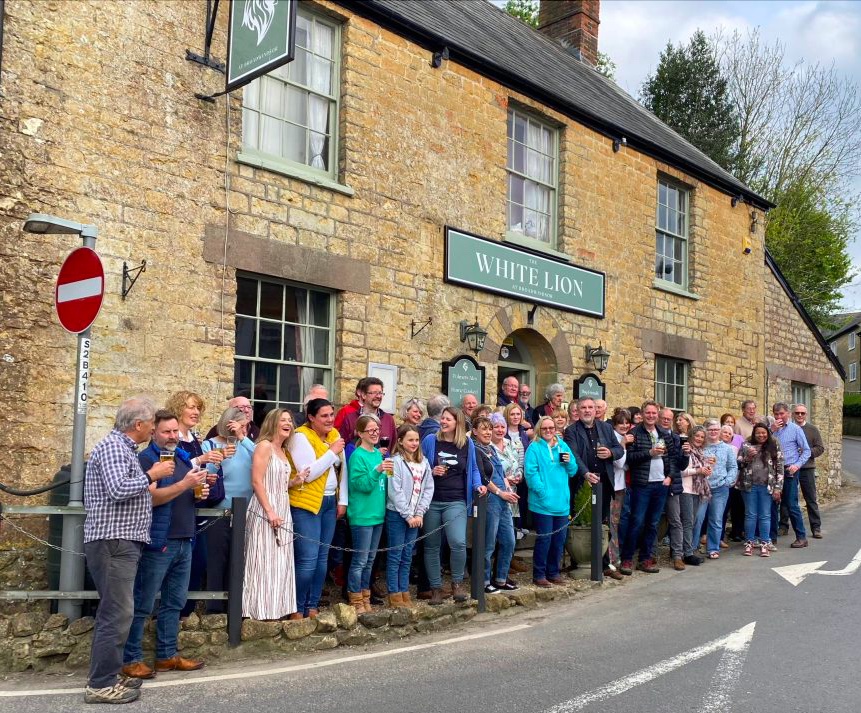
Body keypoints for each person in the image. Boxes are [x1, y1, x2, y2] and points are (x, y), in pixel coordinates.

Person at [83, 397, 168, 704]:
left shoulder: (121, 448)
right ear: (138, 425)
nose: (153, 428)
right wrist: (151, 476)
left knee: (116, 612)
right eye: (151, 423)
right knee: (117, 614)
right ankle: (100, 684)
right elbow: (118, 489)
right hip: (113, 540)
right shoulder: (114, 448)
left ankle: (107, 676)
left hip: (120, 540)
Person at [122, 410, 208, 680]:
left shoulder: (181, 457)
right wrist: (185, 484)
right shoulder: (146, 459)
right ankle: (131, 659)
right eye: (166, 432)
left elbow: (185, 494)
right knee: (143, 602)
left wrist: (198, 491)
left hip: (184, 538)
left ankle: (167, 656)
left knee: (174, 602)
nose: (172, 436)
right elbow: (150, 499)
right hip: (158, 541)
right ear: (153, 433)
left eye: (175, 431)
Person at [243, 409, 306, 620]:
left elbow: (277, 482)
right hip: (265, 508)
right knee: (262, 561)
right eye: (284, 420)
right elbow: (257, 481)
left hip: (282, 505)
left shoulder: (282, 450)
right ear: (273, 423)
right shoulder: (264, 446)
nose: (288, 423)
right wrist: (269, 511)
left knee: (280, 561)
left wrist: (294, 482)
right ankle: (257, 611)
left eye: (290, 421)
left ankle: (276, 609)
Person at [288, 398, 348, 618]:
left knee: (322, 559)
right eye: (324, 415)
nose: (330, 419)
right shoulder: (300, 437)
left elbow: (344, 470)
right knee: (307, 559)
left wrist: (343, 500)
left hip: (330, 501)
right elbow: (308, 473)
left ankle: (311, 605)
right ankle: (296, 607)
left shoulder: (334, 435)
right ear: (311, 417)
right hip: (307, 503)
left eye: (332, 414)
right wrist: (331, 452)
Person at [165, 390, 223, 617]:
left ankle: (184, 618)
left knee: (197, 564)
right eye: (190, 407)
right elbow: (170, 468)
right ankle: (169, 619)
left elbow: (192, 472)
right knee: (173, 569)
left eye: (198, 408)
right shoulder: (171, 438)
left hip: (195, 509)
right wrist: (202, 459)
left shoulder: (194, 439)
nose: (196, 412)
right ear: (178, 408)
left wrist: (206, 477)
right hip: (175, 511)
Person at [421, 407, 485, 604]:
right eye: (442, 418)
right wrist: (432, 471)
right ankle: (436, 588)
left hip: (456, 500)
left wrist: (478, 485)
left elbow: (473, 468)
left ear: (457, 423)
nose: (443, 422)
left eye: (448, 419)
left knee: (458, 542)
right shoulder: (431, 440)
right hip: (431, 500)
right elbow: (419, 465)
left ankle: (457, 583)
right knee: (431, 546)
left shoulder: (467, 444)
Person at [563, 397, 623, 578]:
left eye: (591, 407)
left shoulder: (605, 427)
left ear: (595, 410)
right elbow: (574, 455)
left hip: (604, 482)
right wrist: (585, 473)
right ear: (578, 411)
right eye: (584, 408)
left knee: (603, 523)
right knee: (580, 522)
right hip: (582, 483)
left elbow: (619, 449)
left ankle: (604, 564)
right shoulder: (571, 431)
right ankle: (578, 562)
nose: (588, 410)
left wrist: (611, 452)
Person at [202, 407, 254, 613]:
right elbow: (207, 474)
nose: (241, 429)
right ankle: (214, 609)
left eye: (245, 426)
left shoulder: (248, 445)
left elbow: (264, 458)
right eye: (238, 425)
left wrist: (243, 438)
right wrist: (219, 458)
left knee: (239, 562)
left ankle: (236, 608)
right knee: (217, 560)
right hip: (220, 512)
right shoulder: (210, 444)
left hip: (247, 512)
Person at [620, 400, 677, 575]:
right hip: (642, 484)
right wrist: (650, 453)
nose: (651, 416)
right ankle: (627, 559)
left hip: (661, 484)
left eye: (654, 413)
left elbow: (673, 458)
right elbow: (628, 458)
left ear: (657, 414)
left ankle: (646, 559)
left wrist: (670, 477)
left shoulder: (664, 434)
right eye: (648, 413)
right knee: (637, 522)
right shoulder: (634, 433)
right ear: (642, 414)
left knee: (653, 524)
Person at [524, 416, 582, 587]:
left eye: (551, 428)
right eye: (545, 428)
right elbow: (531, 473)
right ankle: (539, 574)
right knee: (545, 540)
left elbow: (573, 471)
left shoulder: (562, 446)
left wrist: (569, 461)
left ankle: (553, 572)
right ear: (539, 430)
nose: (548, 431)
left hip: (561, 503)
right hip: (542, 504)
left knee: (559, 540)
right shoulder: (534, 448)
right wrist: (542, 492)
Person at [386, 424, 434, 607]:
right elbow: (394, 490)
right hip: (397, 515)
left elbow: (428, 488)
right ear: (400, 441)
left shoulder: (424, 462)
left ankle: (404, 590)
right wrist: (407, 515)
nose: (414, 443)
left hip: (416, 515)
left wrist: (420, 512)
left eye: (416, 440)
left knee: (407, 555)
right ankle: (394, 593)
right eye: (410, 440)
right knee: (395, 554)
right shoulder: (394, 461)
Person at [472, 416, 520, 593]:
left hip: (503, 499)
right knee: (488, 544)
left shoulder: (491, 448)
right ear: (475, 431)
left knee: (509, 541)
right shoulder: (475, 449)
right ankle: (483, 581)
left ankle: (501, 577)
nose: (487, 432)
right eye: (483, 429)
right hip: (490, 499)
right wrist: (500, 492)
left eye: (489, 429)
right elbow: (484, 477)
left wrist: (508, 487)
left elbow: (500, 472)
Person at [346, 415, 389, 613]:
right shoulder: (357, 455)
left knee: (370, 560)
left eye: (377, 429)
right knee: (360, 560)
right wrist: (377, 470)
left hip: (377, 513)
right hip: (362, 514)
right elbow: (360, 485)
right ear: (360, 433)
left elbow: (385, 483)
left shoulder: (378, 454)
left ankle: (366, 596)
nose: (375, 433)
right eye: (370, 430)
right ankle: (355, 598)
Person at [694, 419, 738, 559]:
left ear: (720, 431)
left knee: (716, 519)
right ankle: (692, 547)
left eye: (716, 429)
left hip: (720, 488)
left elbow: (733, 467)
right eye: (710, 429)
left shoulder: (727, 448)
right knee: (698, 518)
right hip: (702, 487)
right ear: (706, 430)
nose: (713, 432)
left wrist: (727, 482)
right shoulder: (701, 446)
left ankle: (713, 548)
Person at [737, 423, 784, 557]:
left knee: (765, 515)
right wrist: (748, 458)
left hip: (767, 486)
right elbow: (739, 463)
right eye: (758, 433)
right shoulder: (746, 444)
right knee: (750, 515)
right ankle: (749, 542)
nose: (761, 435)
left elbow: (780, 467)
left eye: (763, 433)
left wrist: (778, 488)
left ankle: (764, 543)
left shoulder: (774, 445)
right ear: (754, 433)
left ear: (767, 433)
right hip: (749, 485)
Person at [770, 402, 811, 548]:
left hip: (789, 470)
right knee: (772, 503)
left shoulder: (795, 429)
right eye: (776, 414)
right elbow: (762, 444)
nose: (779, 416)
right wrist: (771, 430)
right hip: (772, 471)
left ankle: (801, 537)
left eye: (781, 414)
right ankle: (771, 538)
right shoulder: (771, 429)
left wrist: (797, 465)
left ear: (788, 413)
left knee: (791, 504)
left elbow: (806, 450)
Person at [783, 404, 824, 539]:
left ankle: (816, 527)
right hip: (790, 469)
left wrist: (808, 452)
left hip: (806, 468)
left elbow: (820, 448)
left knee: (810, 498)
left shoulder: (812, 429)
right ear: (793, 414)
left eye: (802, 413)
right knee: (786, 498)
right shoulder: (787, 429)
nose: (800, 415)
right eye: (797, 413)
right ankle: (783, 525)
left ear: (806, 414)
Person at [658, 407, 689, 572]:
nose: (666, 420)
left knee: (676, 521)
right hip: (654, 483)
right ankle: (648, 555)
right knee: (652, 520)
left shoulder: (677, 438)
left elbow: (681, 464)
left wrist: (686, 455)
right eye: (663, 417)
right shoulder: (653, 436)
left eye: (669, 418)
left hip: (673, 484)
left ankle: (678, 555)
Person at [338, 377, 397, 450]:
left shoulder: (388, 419)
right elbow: (341, 446)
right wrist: (354, 434)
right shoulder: (350, 418)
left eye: (380, 393)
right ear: (363, 395)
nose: (378, 396)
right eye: (374, 393)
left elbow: (394, 446)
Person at [679, 425, 709, 566]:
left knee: (692, 521)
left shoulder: (700, 452)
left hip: (697, 490)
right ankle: (687, 553)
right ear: (691, 436)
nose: (699, 439)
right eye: (697, 436)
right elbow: (682, 471)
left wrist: (707, 470)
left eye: (702, 437)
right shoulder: (685, 449)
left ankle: (688, 550)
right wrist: (699, 470)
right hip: (686, 489)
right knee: (687, 522)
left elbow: (701, 471)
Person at [609, 409, 633, 573]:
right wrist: (623, 445)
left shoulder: (628, 438)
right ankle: (612, 557)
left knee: (618, 522)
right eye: (621, 423)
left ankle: (616, 555)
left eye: (626, 423)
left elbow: (628, 464)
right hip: (613, 485)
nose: (624, 426)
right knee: (611, 523)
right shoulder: (614, 439)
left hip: (622, 485)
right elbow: (619, 463)